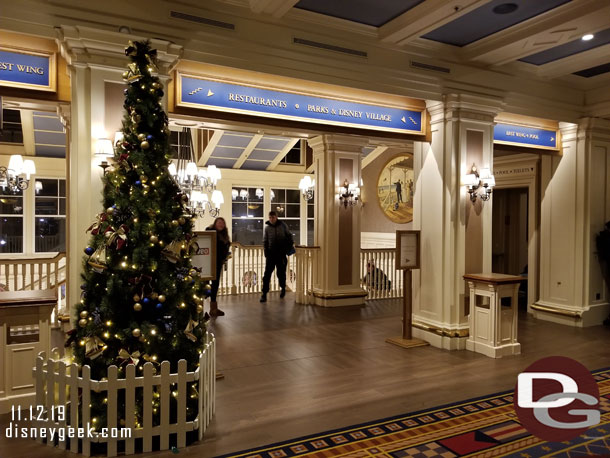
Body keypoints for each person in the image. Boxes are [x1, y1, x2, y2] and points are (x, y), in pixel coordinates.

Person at [260, 211, 294, 303]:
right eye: (270, 217)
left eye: (273, 217)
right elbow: (265, 241)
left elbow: (289, 236)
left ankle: (283, 288)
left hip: (281, 254)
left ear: (276, 217)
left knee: (281, 274)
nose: (272, 219)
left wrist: (287, 247)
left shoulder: (283, 226)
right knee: (267, 275)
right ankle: (264, 294)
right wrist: (266, 253)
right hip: (271, 255)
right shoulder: (266, 228)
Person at [206, 217, 231, 317]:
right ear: (215, 224)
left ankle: (213, 309)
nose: (221, 224)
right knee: (205, 285)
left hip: (218, 263)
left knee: (215, 285)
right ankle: (200, 309)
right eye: (219, 222)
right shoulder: (210, 232)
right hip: (208, 262)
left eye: (222, 223)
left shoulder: (224, 236)